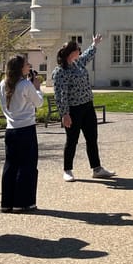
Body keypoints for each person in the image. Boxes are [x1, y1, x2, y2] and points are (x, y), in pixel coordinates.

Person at [52, 34, 115, 182]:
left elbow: (87, 55)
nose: (80, 51)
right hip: (73, 110)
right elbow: (60, 94)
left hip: (87, 106)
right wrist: (65, 114)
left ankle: (97, 168)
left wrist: (94, 44)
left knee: (92, 138)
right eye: (77, 49)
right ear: (71, 52)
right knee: (72, 140)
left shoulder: (78, 63)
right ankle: (67, 170)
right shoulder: (60, 71)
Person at [0, 55, 44, 213]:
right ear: (20, 68)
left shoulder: (3, 84)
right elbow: (39, 103)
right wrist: (37, 88)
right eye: (26, 64)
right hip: (26, 127)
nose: (29, 66)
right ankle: (23, 202)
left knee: (10, 164)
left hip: (11, 128)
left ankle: (7, 202)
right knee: (27, 165)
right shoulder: (25, 84)